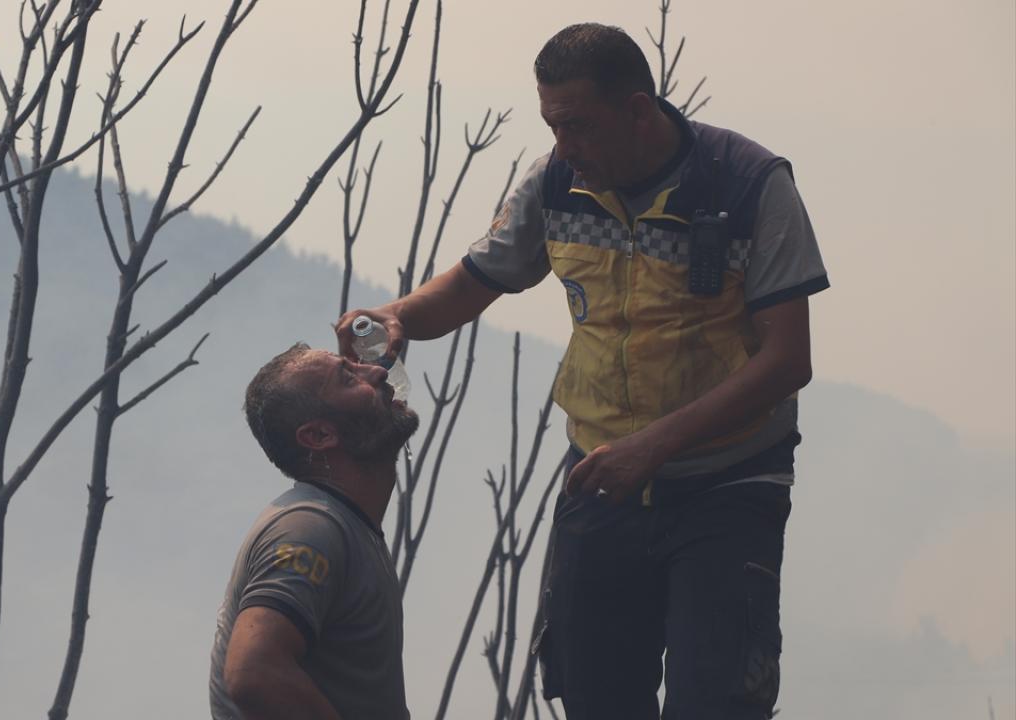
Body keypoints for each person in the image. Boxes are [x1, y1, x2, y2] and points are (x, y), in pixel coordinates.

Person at [335, 22, 828, 720]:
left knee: (717, 700)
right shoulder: (556, 182)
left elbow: (787, 361)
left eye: (578, 126)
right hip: (600, 478)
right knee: (595, 695)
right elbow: (476, 281)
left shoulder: (749, 184)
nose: (563, 145)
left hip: (728, 484)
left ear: (637, 109)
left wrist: (652, 447)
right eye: (552, 126)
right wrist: (398, 318)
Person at [210, 343, 419, 720]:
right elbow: (253, 673)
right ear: (320, 435)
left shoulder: (344, 526)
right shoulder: (310, 528)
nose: (378, 372)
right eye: (349, 378)